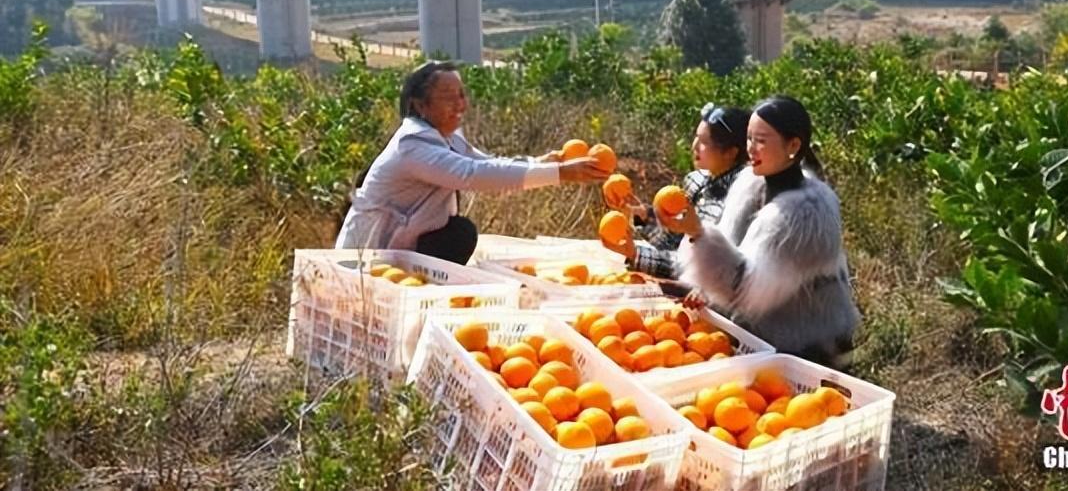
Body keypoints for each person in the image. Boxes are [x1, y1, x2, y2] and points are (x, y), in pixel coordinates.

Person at [335, 61, 609, 263]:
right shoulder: (412, 145)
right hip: (365, 257)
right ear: (421, 106)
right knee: (459, 233)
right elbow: (472, 173)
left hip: (401, 248)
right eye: (448, 98)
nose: (460, 105)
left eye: (462, 95)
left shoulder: (446, 138)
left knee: (458, 232)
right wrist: (560, 173)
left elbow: (488, 163)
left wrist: (540, 163)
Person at [661, 95, 860, 368]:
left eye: (761, 140)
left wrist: (698, 233)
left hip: (814, 352)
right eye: (749, 138)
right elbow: (730, 252)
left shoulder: (806, 217)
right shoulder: (751, 184)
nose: (751, 149)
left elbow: (744, 289)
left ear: (793, 146)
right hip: (765, 336)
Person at [602, 102, 750, 280]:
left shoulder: (738, 199)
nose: (695, 146)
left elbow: (696, 268)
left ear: (731, 153)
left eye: (705, 142)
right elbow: (675, 243)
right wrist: (643, 214)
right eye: (696, 137)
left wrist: (636, 254)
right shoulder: (697, 180)